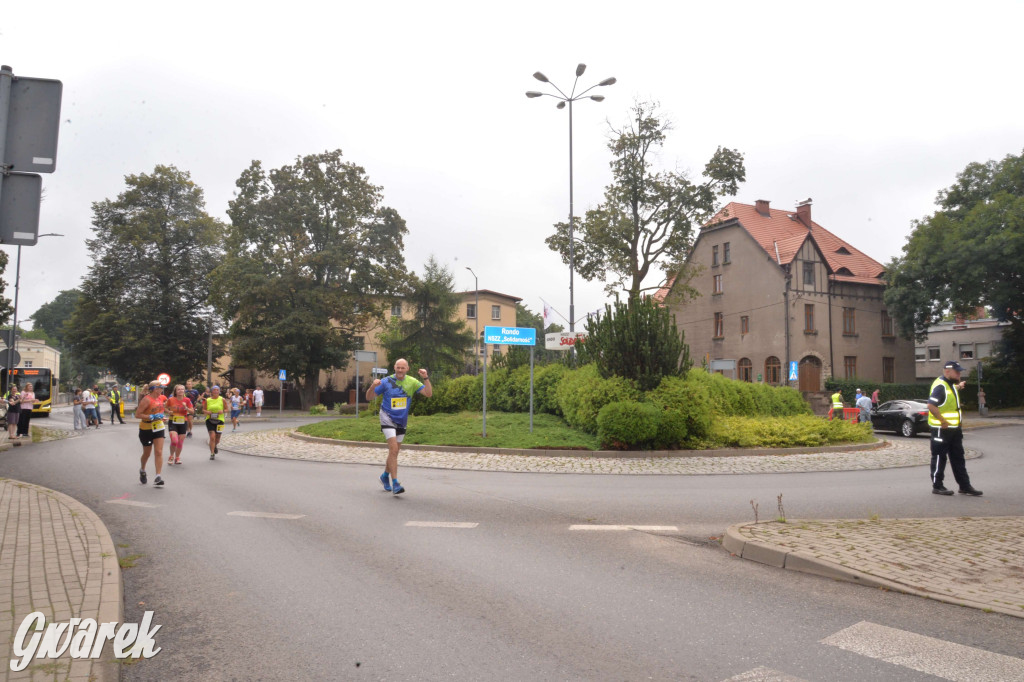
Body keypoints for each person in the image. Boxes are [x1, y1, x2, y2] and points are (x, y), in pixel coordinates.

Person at [367, 359, 432, 495]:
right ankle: (395, 482)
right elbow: (369, 397)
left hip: (401, 420)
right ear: (394, 367)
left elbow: (428, 393)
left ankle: (385, 476)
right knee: (394, 448)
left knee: (394, 452)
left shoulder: (412, 382)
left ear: (407, 368)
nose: (400, 370)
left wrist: (425, 377)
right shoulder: (386, 381)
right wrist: (372, 386)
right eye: (398, 367)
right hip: (387, 417)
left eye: (403, 368)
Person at [929, 361, 982, 497]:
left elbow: (949, 394)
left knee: (958, 457)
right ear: (947, 371)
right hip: (942, 429)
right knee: (940, 458)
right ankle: (937, 486)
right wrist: (943, 421)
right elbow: (931, 406)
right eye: (957, 372)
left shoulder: (949, 385)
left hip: (954, 429)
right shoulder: (940, 386)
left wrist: (958, 386)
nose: (960, 374)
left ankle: (965, 486)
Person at [135, 381, 167, 486]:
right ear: (154, 388)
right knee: (147, 453)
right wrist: (151, 417)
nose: (162, 389)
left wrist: (162, 417)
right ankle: (142, 470)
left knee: (158, 451)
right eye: (160, 387)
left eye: (162, 387)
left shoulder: (161, 398)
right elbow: (138, 415)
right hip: (146, 428)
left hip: (158, 427)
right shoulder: (146, 400)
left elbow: (161, 411)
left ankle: (158, 476)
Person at [165, 384, 194, 465]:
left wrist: (186, 408)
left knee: (180, 442)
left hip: (183, 421)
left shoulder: (187, 400)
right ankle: (171, 456)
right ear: (176, 391)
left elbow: (192, 411)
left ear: (184, 391)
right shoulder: (171, 399)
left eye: (182, 389)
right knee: (174, 440)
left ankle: (177, 457)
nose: (181, 391)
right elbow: (165, 408)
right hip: (173, 421)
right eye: (179, 389)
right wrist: (168, 412)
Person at [203, 385, 227, 460]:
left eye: (217, 390)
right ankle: (212, 453)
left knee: (218, 438)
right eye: (214, 390)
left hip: (220, 420)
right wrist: (207, 412)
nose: (216, 391)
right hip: (209, 420)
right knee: (212, 437)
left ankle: (214, 445)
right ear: (212, 391)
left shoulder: (222, 399)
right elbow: (203, 410)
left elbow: (226, 409)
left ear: (219, 391)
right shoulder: (208, 400)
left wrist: (222, 411)